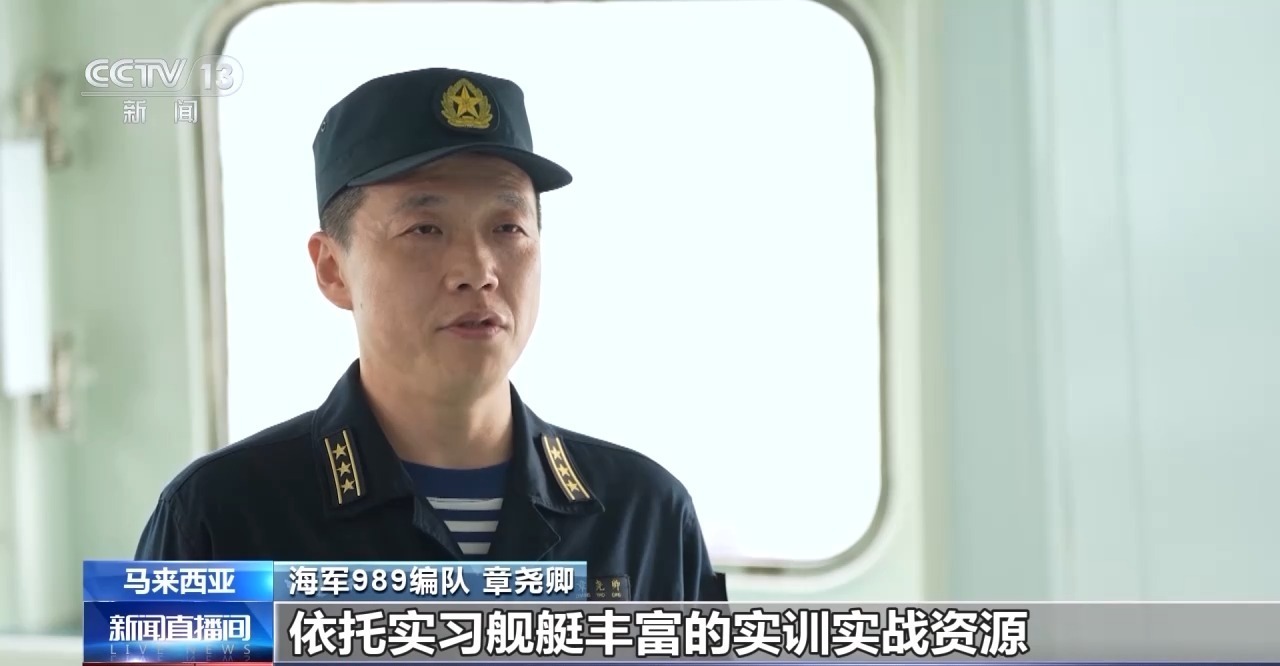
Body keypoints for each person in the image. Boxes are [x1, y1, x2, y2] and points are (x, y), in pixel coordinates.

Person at [134, 67, 727, 602]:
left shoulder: (645, 515)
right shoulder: (220, 517)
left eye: (507, 227)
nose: (478, 270)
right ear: (333, 269)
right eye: (425, 229)